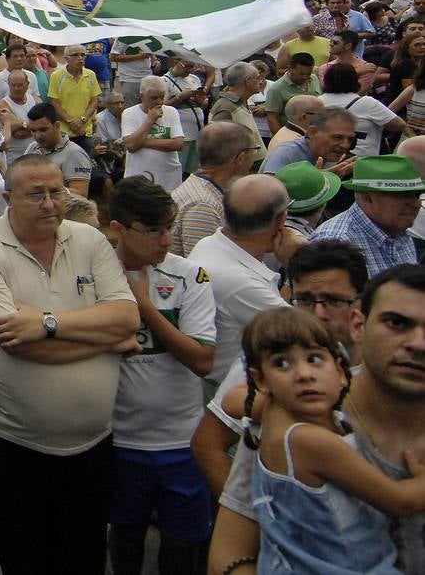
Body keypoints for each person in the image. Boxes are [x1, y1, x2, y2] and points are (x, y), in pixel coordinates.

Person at [0, 154, 140, 575]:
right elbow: (18, 345)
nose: (49, 204)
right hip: (16, 450)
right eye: (35, 194)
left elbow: (128, 319)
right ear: (8, 199)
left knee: (86, 555)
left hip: (94, 448)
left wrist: (46, 323)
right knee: (25, 557)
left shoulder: (89, 240)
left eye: (56, 192)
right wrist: (109, 340)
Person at [207, 263, 425, 575]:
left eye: (313, 359)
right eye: (397, 322)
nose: (418, 343)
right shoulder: (298, 414)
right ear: (358, 324)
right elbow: (229, 555)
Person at [105, 177, 216, 575]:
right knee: (126, 534)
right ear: (118, 228)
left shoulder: (193, 276)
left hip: (182, 441)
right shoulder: (94, 276)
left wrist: (144, 307)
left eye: (169, 227)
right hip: (118, 440)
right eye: (153, 230)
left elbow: (202, 360)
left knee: (181, 542)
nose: (167, 239)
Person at [188, 174, 292, 392]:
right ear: (281, 219)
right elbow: (307, 334)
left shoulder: (208, 244)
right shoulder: (241, 283)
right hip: (227, 399)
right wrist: (298, 263)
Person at [313, 154, 425, 276]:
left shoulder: (399, 233)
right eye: (403, 195)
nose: (415, 204)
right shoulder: (335, 244)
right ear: (367, 198)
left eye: (417, 195)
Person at [171, 122, 261, 257]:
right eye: (255, 149)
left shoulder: (206, 189)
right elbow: (203, 267)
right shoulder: (203, 205)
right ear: (240, 158)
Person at [320, 61, 405, 158]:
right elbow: (399, 124)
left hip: (325, 158)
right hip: (361, 160)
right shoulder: (367, 103)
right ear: (355, 80)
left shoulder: (317, 102)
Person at [121, 75, 185, 191]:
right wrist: (150, 120)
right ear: (142, 96)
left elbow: (178, 144)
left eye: (162, 97)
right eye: (154, 98)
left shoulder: (171, 112)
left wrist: (142, 142)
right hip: (138, 179)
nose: (159, 102)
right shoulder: (129, 113)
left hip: (169, 179)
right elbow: (131, 146)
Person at [260, 106, 357, 177]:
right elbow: (267, 193)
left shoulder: (336, 159)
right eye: (337, 137)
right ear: (312, 132)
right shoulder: (286, 153)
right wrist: (316, 180)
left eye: (350, 139)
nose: (345, 145)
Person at [25, 103, 93, 196]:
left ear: (57, 126)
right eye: (33, 131)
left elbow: (81, 194)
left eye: (43, 130)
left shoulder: (74, 154)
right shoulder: (32, 147)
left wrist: (45, 189)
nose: (38, 136)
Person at [209, 62, 267, 172]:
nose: (261, 81)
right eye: (258, 78)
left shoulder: (240, 103)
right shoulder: (226, 107)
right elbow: (218, 146)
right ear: (248, 81)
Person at [48, 44, 101, 152]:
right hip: (64, 132)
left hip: (85, 131)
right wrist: (70, 122)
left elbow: (94, 101)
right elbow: (53, 102)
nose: (80, 58)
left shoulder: (91, 75)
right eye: (76, 55)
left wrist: (82, 121)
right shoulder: (56, 76)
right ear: (66, 58)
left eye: (83, 55)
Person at [162, 59, 210, 175]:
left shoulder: (194, 79)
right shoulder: (164, 80)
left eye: (191, 66)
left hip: (198, 130)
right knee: (180, 168)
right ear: (175, 63)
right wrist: (180, 98)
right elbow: (161, 106)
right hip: (182, 133)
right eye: (186, 66)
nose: (189, 70)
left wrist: (201, 100)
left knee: (195, 169)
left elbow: (204, 105)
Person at [1, 69, 37, 161]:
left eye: (20, 85)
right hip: (15, 158)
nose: (16, 88)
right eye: (13, 85)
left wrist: (22, 124)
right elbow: (18, 134)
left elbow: (41, 124)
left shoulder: (32, 99)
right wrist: (34, 128)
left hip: (34, 154)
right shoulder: (3, 105)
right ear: (8, 85)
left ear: (27, 84)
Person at [110, 37, 154, 107]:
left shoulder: (146, 34)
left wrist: (156, 60)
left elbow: (150, 52)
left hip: (147, 78)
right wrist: (139, 56)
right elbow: (113, 57)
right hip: (130, 78)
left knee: (148, 108)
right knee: (130, 109)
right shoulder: (123, 37)